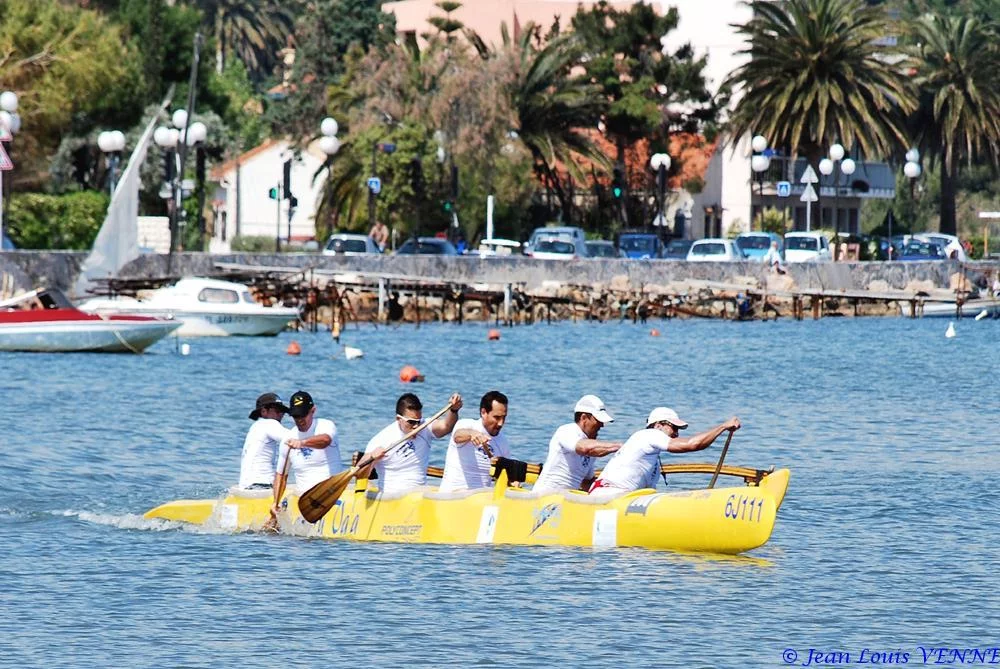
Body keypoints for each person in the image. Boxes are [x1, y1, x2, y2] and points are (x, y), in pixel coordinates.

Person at [590, 408, 741, 494]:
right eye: (674, 427)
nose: (676, 434)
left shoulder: (653, 463)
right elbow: (692, 444)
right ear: (658, 425)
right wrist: (722, 427)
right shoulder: (647, 435)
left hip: (620, 499)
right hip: (605, 497)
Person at [362, 392, 463, 494]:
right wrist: (371, 459)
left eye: (418, 421)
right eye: (411, 422)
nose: (416, 426)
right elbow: (360, 475)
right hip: (391, 497)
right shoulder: (381, 440)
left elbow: (446, 426)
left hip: (418, 496)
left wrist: (453, 410)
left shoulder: (425, 426)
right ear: (398, 419)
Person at [270, 391, 342, 521]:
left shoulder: (325, 425)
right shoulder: (288, 439)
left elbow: (325, 441)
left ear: (313, 410)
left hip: (331, 494)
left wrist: (303, 443)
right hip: (306, 503)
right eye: (296, 416)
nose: (299, 420)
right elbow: (281, 475)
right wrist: (275, 502)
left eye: (303, 415)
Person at [533, 395, 622, 494]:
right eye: (598, 420)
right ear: (584, 418)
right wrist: (620, 447)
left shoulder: (593, 447)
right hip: (544, 496)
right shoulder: (567, 430)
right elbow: (584, 448)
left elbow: (586, 482)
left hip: (567, 499)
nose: (602, 425)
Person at [439, 390, 512, 492]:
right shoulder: (466, 424)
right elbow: (457, 436)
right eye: (497, 417)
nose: (501, 423)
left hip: (482, 497)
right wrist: (471, 434)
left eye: (504, 417)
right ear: (483, 412)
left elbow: (506, 476)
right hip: (454, 494)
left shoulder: (503, 442)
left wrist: (514, 483)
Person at [238, 393, 290, 490]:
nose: (282, 414)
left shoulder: (256, 426)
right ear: (264, 411)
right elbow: (293, 440)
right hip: (260, 485)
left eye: (283, 411)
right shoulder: (269, 424)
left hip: (245, 485)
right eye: (278, 410)